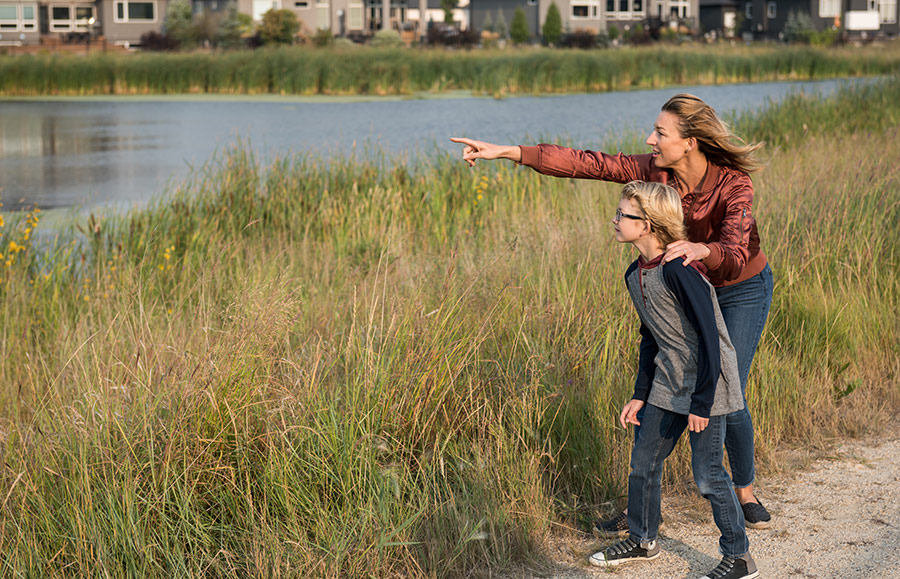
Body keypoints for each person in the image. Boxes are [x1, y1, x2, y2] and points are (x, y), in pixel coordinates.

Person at [450, 93, 774, 530]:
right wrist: (510, 152)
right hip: (680, 285)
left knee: (726, 389)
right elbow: (589, 163)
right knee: (661, 382)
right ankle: (639, 506)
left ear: (691, 141)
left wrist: (703, 247)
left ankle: (744, 490)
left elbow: (734, 251)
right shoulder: (656, 171)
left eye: (661, 132)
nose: (650, 139)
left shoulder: (734, 184)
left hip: (738, 287)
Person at [589, 180, 758, 579]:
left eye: (622, 215)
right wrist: (639, 394)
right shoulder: (636, 274)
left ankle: (739, 557)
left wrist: (702, 401)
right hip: (668, 380)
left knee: (707, 474)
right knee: (642, 464)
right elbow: (651, 336)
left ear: (646, 225)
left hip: (707, 382)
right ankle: (642, 540)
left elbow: (710, 338)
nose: (614, 220)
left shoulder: (680, 271)